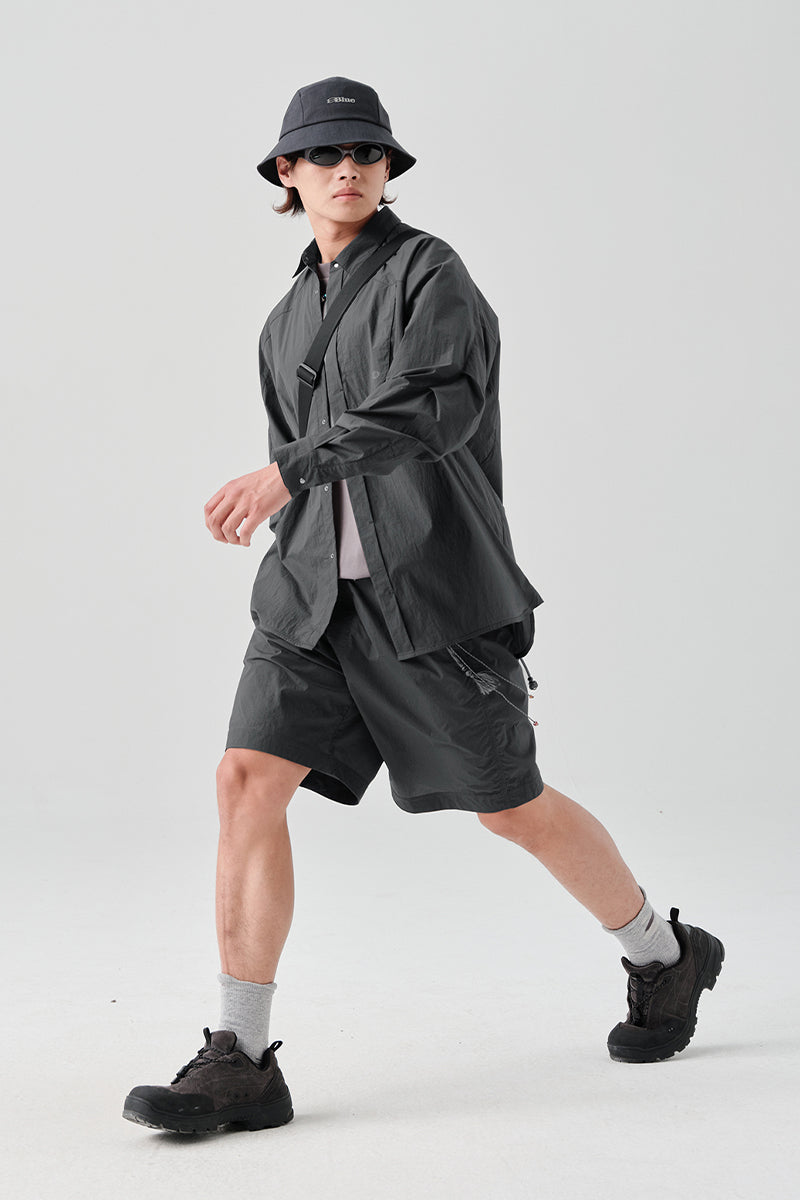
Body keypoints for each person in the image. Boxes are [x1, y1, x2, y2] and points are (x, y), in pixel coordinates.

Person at [122, 76, 724, 1135]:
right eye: (324, 153)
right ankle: (241, 1056)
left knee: (509, 806)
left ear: (388, 169)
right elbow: (302, 460)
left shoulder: (431, 274)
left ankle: (663, 954)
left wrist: (287, 471)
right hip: (309, 601)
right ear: (286, 172)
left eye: (367, 152)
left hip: (430, 598)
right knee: (245, 781)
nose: (347, 168)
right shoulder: (283, 319)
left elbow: (432, 406)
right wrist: (288, 501)